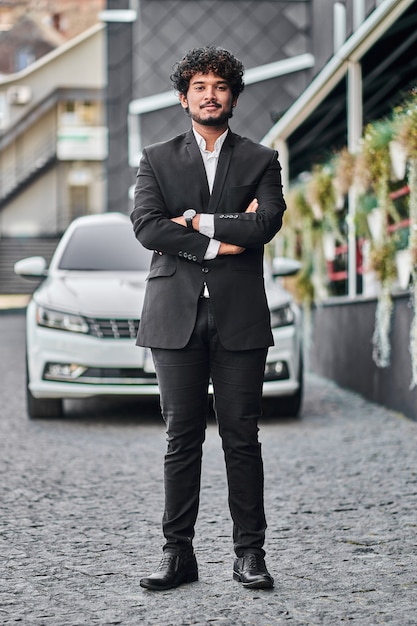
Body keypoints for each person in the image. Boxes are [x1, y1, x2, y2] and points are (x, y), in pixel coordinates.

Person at [130, 46, 286, 591]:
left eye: (220, 86)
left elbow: (264, 225)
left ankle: (250, 554)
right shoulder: (156, 157)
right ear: (183, 97)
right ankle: (178, 554)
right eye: (200, 86)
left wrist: (194, 220)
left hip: (239, 317)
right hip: (174, 315)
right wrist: (220, 242)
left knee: (242, 437)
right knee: (182, 438)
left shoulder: (261, 159)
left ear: (234, 97)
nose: (210, 94)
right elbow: (148, 227)